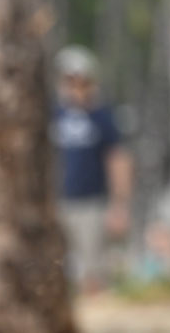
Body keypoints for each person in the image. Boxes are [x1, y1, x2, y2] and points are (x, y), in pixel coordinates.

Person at [51, 47, 133, 291]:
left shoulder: (103, 117)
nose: (75, 87)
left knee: (93, 272)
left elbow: (118, 160)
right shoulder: (51, 115)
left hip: (92, 204)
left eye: (81, 80)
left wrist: (120, 206)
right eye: (69, 80)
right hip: (56, 202)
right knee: (52, 271)